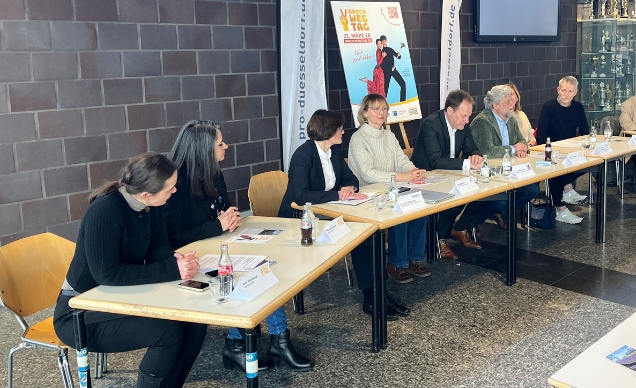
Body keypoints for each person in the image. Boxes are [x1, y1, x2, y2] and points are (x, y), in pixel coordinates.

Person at [164, 120, 312, 373]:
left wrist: (229, 217)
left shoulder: (213, 173)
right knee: (256, 274)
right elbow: (172, 238)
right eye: (220, 144)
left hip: (219, 248)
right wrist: (218, 225)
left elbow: (223, 210)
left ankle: (245, 342)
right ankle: (270, 341)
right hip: (188, 262)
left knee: (268, 267)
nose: (226, 147)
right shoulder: (175, 184)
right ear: (202, 150)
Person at [54, 153, 207, 388]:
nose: (175, 191)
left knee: (194, 322)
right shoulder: (104, 211)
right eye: (171, 188)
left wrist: (176, 261)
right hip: (80, 312)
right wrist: (171, 270)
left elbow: (158, 247)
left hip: (118, 299)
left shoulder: (150, 204)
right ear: (147, 193)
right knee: (167, 332)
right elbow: (107, 275)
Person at [279, 110, 409, 322]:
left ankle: (375, 295)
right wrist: (337, 194)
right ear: (327, 131)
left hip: (329, 211)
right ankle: (372, 297)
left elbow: (352, 178)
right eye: (339, 128)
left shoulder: (334, 151)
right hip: (301, 218)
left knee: (366, 235)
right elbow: (301, 196)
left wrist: (348, 187)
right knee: (358, 236)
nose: (343, 132)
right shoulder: (302, 156)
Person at [348, 93, 430, 284]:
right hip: (370, 194)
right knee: (399, 213)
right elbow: (368, 174)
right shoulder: (358, 139)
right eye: (376, 109)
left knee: (421, 207)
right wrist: (402, 177)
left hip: (393, 189)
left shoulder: (389, 135)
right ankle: (396, 263)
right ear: (365, 113)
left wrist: (413, 171)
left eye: (384, 108)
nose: (381, 113)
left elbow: (401, 160)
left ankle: (414, 258)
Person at [411, 89, 487, 256]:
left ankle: (456, 229)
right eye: (463, 116)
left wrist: (475, 156)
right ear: (450, 110)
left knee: (483, 193)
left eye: (468, 116)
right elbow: (436, 161)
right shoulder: (430, 125)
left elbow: (472, 147)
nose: (467, 121)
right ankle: (438, 238)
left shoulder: (462, 125)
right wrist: (469, 164)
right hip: (426, 178)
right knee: (455, 195)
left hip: (449, 175)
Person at [469, 85, 540, 229]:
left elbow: (523, 142)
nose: (512, 104)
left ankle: (500, 212)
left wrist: (522, 149)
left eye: (512, 100)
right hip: (490, 173)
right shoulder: (482, 122)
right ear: (495, 105)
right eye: (507, 101)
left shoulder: (511, 118)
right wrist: (514, 148)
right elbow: (488, 151)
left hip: (510, 170)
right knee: (501, 199)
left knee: (533, 190)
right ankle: (472, 223)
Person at [535, 76, 590, 224]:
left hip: (571, 149)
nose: (566, 94)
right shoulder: (549, 107)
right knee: (555, 169)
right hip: (550, 149)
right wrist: (550, 150)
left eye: (569, 91)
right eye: (563, 90)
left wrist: (580, 145)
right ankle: (562, 206)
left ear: (575, 92)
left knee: (590, 163)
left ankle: (566, 194)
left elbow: (585, 132)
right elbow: (541, 136)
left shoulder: (578, 108)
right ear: (558, 90)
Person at [507, 82, 537, 147]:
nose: (510, 97)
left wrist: (529, 145)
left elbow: (532, 137)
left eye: (512, 94)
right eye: (506, 95)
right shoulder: (501, 118)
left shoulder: (521, 115)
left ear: (517, 98)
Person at [379, 35, 407, 103]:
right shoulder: (381, 52)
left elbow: (397, 56)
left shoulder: (389, 49)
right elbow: (381, 64)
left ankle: (403, 102)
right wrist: (389, 68)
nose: (384, 42)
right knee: (385, 89)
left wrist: (399, 54)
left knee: (403, 84)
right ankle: (382, 104)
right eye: (383, 41)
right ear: (381, 42)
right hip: (387, 71)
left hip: (393, 70)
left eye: (385, 40)